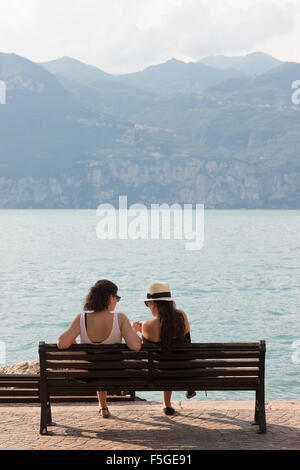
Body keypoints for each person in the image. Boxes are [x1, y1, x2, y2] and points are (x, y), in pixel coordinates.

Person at [57, 279, 141, 418]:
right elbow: (136, 346)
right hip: (116, 375)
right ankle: (103, 406)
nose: (117, 301)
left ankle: (103, 407)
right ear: (110, 297)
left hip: (90, 376)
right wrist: (133, 330)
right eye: (117, 297)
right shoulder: (120, 318)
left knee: (97, 365)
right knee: (106, 365)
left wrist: (77, 342)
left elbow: (62, 343)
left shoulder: (81, 318)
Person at [132, 281, 196, 416]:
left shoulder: (147, 325)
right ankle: (185, 387)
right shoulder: (181, 316)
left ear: (153, 303)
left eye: (147, 303)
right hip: (185, 368)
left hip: (161, 373)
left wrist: (137, 331)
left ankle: (166, 404)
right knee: (174, 355)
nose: (147, 306)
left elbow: (145, 350)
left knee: (165, 359)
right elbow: (187, 342)